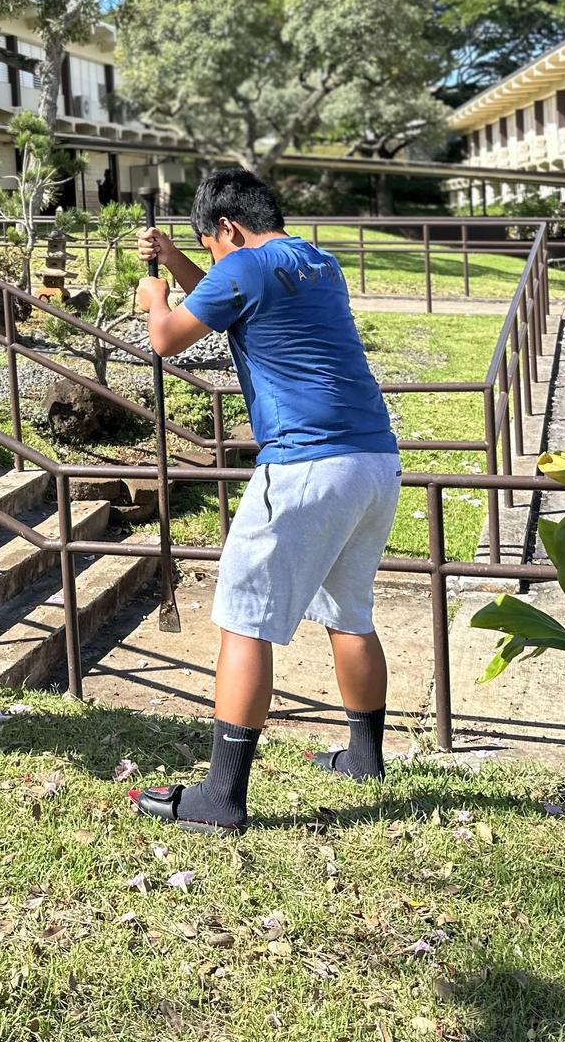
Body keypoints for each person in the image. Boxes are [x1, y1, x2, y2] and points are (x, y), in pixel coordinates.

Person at [128, 168, 402, 834]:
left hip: (305, 467)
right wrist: (181, 260)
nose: (216, 260)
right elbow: (229, 293)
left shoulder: (244, 267)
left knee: (244, 618)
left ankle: (221, 799)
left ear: (228, 229)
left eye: (212, 246)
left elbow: (168, 338)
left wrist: (153, 295)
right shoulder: (316, 262)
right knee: (350, 611)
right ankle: (365, 759)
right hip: (373, 461)